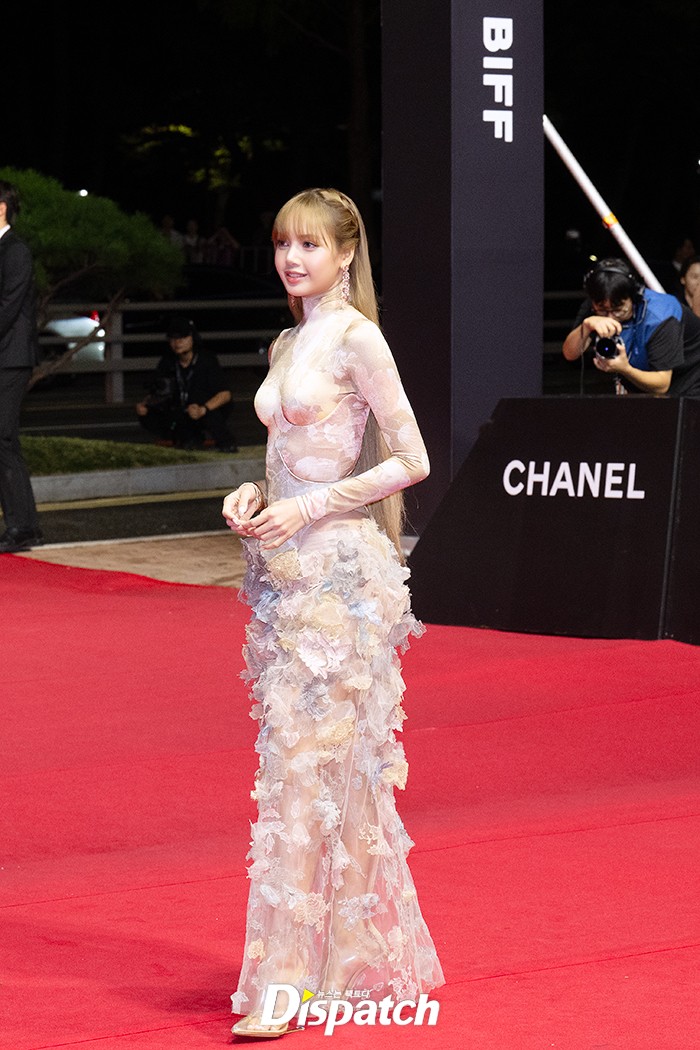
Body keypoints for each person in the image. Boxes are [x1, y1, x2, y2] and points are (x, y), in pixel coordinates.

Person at [222, 188, 444, 1039]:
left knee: (307, 770)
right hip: (284, 578)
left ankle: (290, 977)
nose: (292, 258)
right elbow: (284, 458)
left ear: (346, 254)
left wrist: (312, 507)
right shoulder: (289, 341)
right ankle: (341, 951)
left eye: (310, 244)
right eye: (283, 242)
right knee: (315, 772)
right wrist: (254, 494)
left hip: (341, 582)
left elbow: (412, 459)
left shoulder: (358, 338)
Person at [562, 257, 700, 397]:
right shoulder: (599, 303)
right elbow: (570, 354)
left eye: (618, 310)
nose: (610, 317)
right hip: (642, 383)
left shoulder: (661, 316)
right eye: (603, 310)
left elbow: (661, 385)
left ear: (634, 297)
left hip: (689, 382)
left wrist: (625, 369)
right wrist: (586, 327)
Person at [0, 180, 44, 553]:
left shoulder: (15, 250)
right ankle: (23, 526)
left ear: (1, 208)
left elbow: (8, 307)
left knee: (3, 437)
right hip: (4, 355)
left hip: (11, 357)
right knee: (3, 440)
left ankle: (22, 527)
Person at [136, 316, 236, 450]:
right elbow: (158, 390)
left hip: (204, 407)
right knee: (148, 412)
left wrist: (203, 409)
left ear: (192, 338)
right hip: (181, 410)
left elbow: (225, 394)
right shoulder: (168, 362)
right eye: (173, 338)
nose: (177, 342)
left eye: (182, 338)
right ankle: (183, 439)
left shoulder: (206, 360)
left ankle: (226, 443)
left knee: (212, 414)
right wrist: (145, 405)